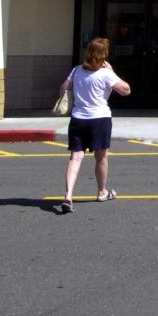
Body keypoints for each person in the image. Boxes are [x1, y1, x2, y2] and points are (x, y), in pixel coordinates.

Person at [58, 37, 131, 214]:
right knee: (101, 157)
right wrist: (112, 71)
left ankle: (68, 196)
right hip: (100, 119)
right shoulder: (106, 73)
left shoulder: (76, 71)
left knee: (75, 158)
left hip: (78, 118)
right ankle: (102, 191)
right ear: (103, 55)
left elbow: (63, 89)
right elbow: (126, 90)